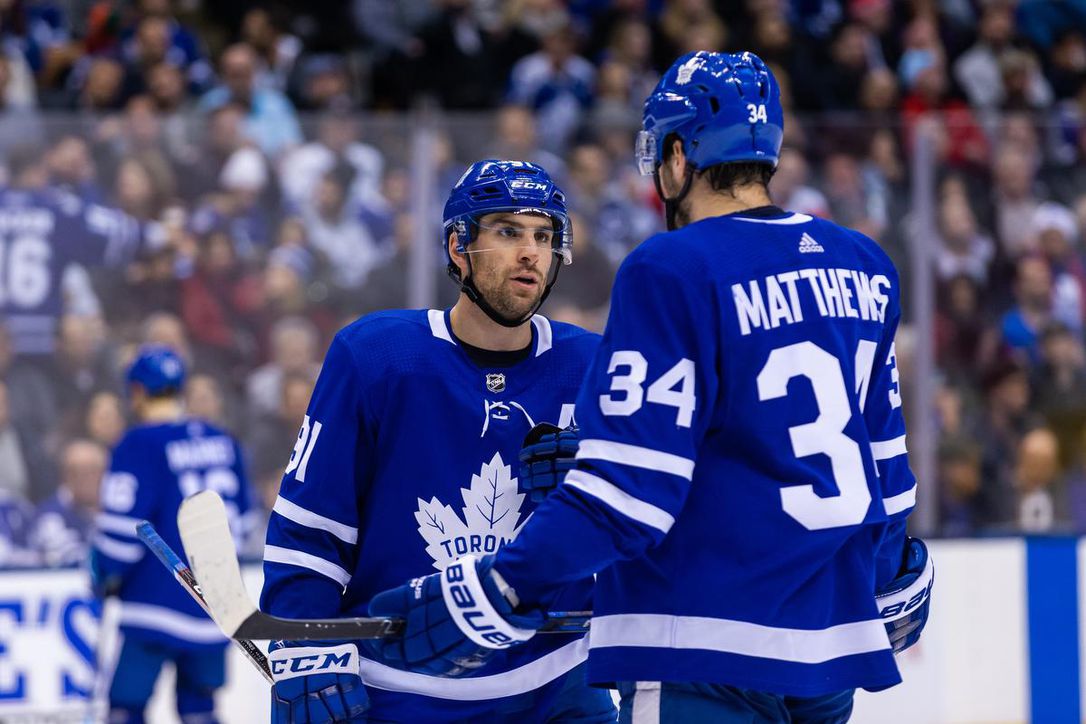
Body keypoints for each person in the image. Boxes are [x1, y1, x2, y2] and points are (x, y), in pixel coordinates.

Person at [370, 51, 934, 723]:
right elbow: (887, 479)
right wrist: (893, 574)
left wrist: (495, 586)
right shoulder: (864, 264)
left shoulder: (672, 267)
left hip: (699, 647)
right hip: (829, 655)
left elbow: (628, 496)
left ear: (676, 153)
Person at [259, 159, 616, 723]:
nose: (530, 253)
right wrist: (306, 641)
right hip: (401, 689)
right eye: (507, 231)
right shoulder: (375, 356)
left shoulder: (593, 365)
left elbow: (647, 528)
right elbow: (312, 526)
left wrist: (597, 497)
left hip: (556, 684)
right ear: (458, 245)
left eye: (544, 236)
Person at [90, 345, 254, 723]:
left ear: (136, 393)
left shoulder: (139, 444)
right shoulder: (223, 440)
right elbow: (243, 525)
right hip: (215, 606)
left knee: (125, 706)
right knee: (200, 709)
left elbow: (120, 533)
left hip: (154, 603)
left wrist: (104, 574)